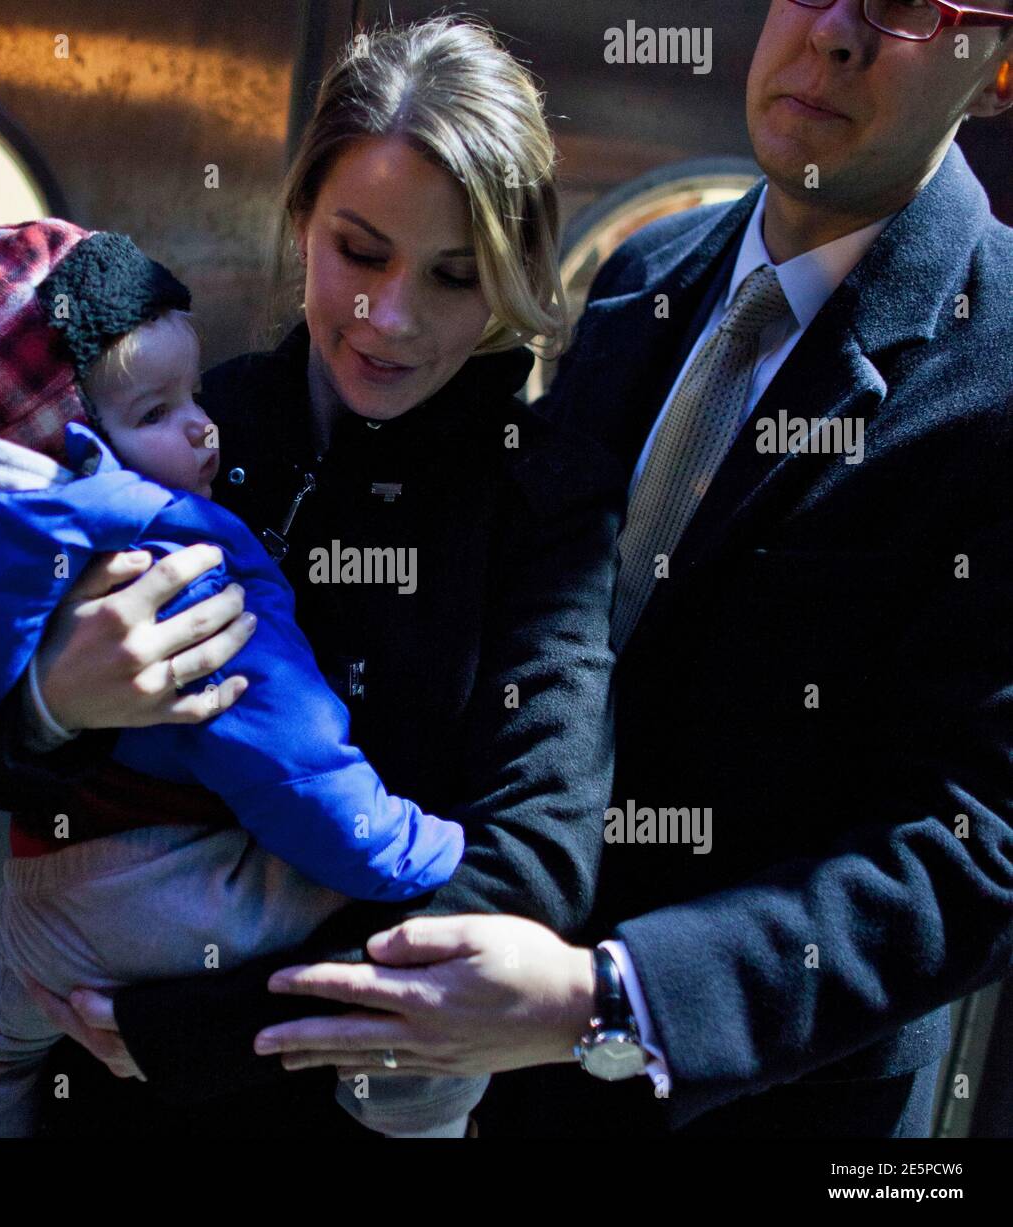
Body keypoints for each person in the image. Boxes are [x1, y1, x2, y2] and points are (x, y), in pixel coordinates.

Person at [250, 0, 1013, 1139]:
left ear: (996, 66)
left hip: (764, 1109)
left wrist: (614, 998)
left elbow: (978, 843)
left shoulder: (996, 365)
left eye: (907, 6)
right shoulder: (641, 272)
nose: (839, 36)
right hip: (500, 1091)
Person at [0, 16, 624, 1137]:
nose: (391, 318)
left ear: (510, 278)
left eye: (455, 276)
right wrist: (48, 704)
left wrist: (213, 1031)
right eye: (360, 252)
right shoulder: (183, 423)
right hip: (88, 1078)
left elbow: (535, 861)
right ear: (301, 217)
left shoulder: (546, 492)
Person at [0, 216, 509, 1137]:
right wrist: (415, 849)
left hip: (42, 897)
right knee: (413, 1000)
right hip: (162, 897)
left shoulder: (13, 531)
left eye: (454, 272)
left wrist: (47, 700)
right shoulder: (188, 541)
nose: (204, 426)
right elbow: (291, 757)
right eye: (364, 253)